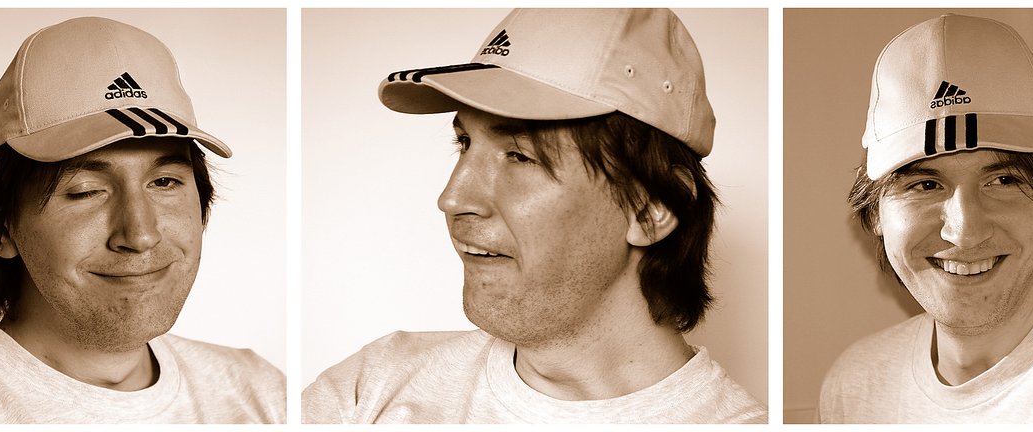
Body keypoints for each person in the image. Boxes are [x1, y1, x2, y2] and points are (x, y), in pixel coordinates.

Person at [302, 8, 767, 424]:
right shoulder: (371, 387)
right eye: (463, 143)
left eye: (520, 155)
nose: (451, 197)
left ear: (650, 209)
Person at [0, 17, 285, 423]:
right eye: (86, 190)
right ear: (0, 228)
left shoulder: (260, 389)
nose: (140, 234)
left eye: (164, 181)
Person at [819, 14, 1033, 423]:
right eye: (926, 185)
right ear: (876, 213)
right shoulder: (854, 384)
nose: (965, 231)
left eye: (1002, 179)